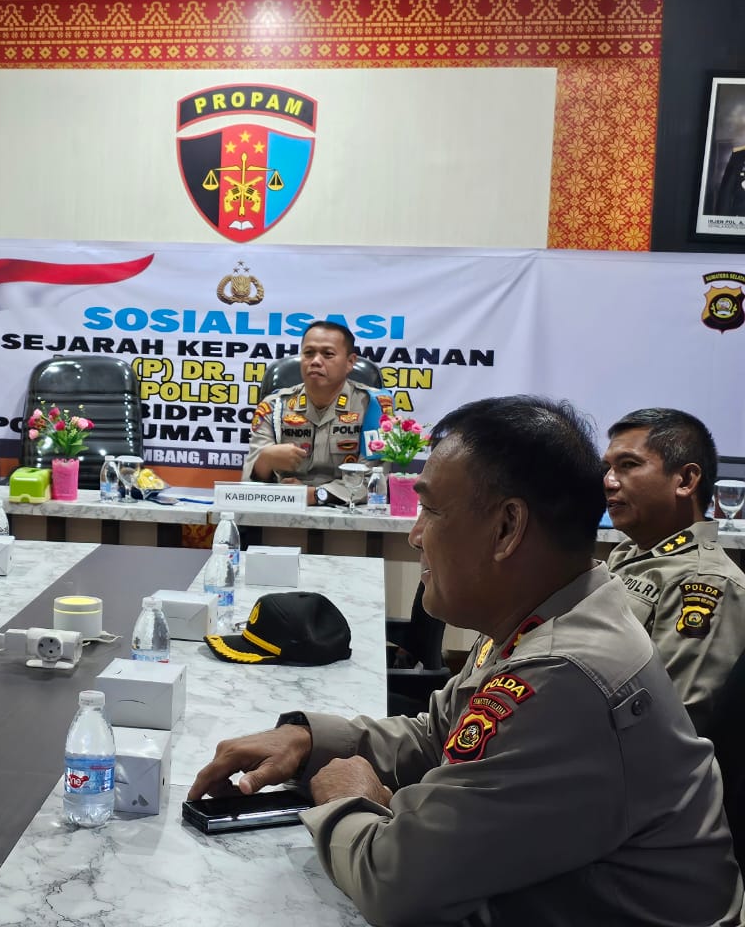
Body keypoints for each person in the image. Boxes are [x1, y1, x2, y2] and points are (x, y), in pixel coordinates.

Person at [193, 396, 742, 926]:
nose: (415, 535)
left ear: (507, 528)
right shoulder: (546, 614)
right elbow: (442, 733)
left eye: (430, 510)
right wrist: (312, 739)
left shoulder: (564, 674)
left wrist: (348, 800)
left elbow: (397, 883)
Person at [603, 408, 745, 734]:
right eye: (607, 468)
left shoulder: (705, 581)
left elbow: (673, 725)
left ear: (685, 480)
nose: (609, 481)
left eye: (628, 465)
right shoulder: (625, 555)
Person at [241, 320, 389, 506]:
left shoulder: (374, 406)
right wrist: (265, 460)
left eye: (328, 354)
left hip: (349, 513)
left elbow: (374, 480)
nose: (316, 361)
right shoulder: (274, 406)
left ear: (350, 362)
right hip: (283, 510)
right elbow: (248, 485)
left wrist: (314, 495)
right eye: (309, 353)